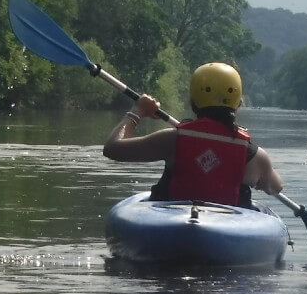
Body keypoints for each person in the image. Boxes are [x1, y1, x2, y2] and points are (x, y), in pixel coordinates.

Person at [102, 62, 284, 208]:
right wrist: (260, 177)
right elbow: (276, 187)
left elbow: (112, 148)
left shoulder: (172, 139)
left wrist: (137, 112)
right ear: (238, 102)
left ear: (193, 100)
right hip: (227, 235)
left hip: (171, 226)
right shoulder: (254, 156)